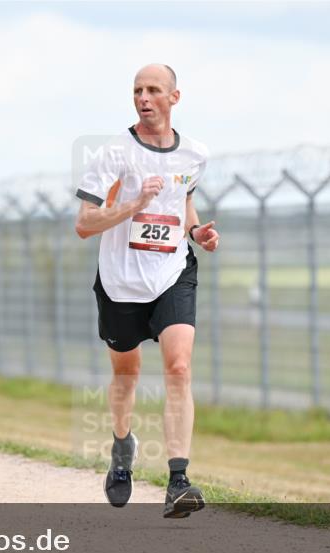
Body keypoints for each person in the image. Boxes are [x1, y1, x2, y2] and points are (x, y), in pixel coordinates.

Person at [75, 64, 220, 518]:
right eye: (137, 90)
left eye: (154, 90)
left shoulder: (195, 154)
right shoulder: (113, 154)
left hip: (172, 272)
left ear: (174, 98)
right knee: (127, 376)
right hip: (121, 281)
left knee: (178, 367)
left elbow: (185, 203)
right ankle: (122, 447)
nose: (144, 97)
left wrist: (198, 233)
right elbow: (84, 224)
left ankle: (178, 481)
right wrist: (133, 205)